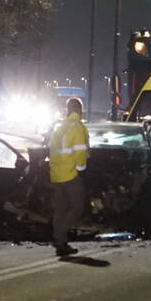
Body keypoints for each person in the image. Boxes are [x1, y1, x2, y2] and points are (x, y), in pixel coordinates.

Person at [48, 97, 89, 257]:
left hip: (56, 174)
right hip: (70, 174)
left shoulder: (61, 128)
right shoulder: (77, 127)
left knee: (61, 209)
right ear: (79, 110)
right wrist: (81, 168)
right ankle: (60, 237)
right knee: (77, 206)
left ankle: (60, 242)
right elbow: (80, 151)